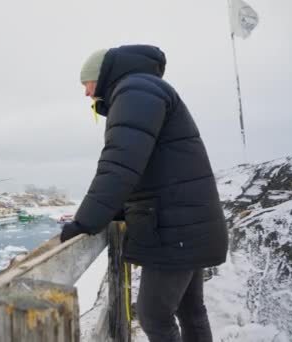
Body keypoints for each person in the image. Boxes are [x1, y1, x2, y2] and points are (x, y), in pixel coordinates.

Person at [60, 45, 228, 342]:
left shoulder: (135, 91)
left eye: (86, 83)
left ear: (100, 76)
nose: (86, 93)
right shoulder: (143, 90)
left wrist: (85, 222)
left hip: (174, 227)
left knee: (154, 315)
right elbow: (149, 169)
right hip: (184, 222)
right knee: (191, 311)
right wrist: (117, 211)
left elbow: (120, 163)